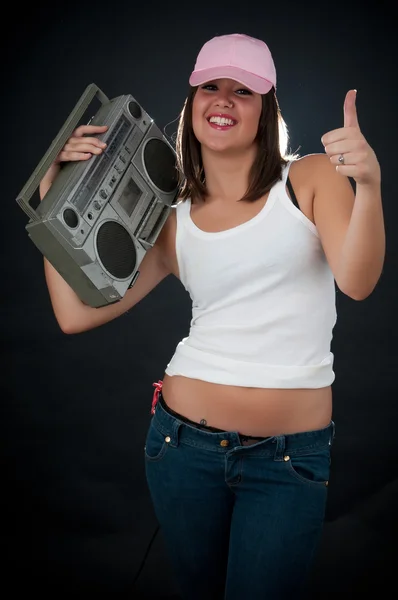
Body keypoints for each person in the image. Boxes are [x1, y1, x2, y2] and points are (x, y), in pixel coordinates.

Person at [39, 33, 385, 599]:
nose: (223, 100)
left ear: (265, 108)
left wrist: (368, 185)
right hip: (180, 450)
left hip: (289, 459)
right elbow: (75, 316)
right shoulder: (173, 219)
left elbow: (358, 281)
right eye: (211, 87)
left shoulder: (309, 179)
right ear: (193, 102)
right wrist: (56, 196)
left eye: (242, 91)